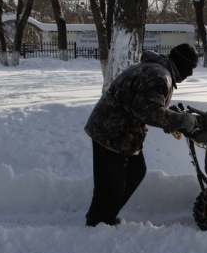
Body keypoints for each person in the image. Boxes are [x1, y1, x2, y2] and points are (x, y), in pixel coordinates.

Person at [84, 43, 199, 227]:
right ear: (182, 64)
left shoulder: (157, 70)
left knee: (135, 170)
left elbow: (145, 105)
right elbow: (146, 111)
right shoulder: (160, 76)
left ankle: (105, 215)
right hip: (111, 131)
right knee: (112, 185)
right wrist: (180, 121)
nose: (191, 74)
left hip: (119, 130)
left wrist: (170, 120)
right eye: (191, 68)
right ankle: (98, 223)